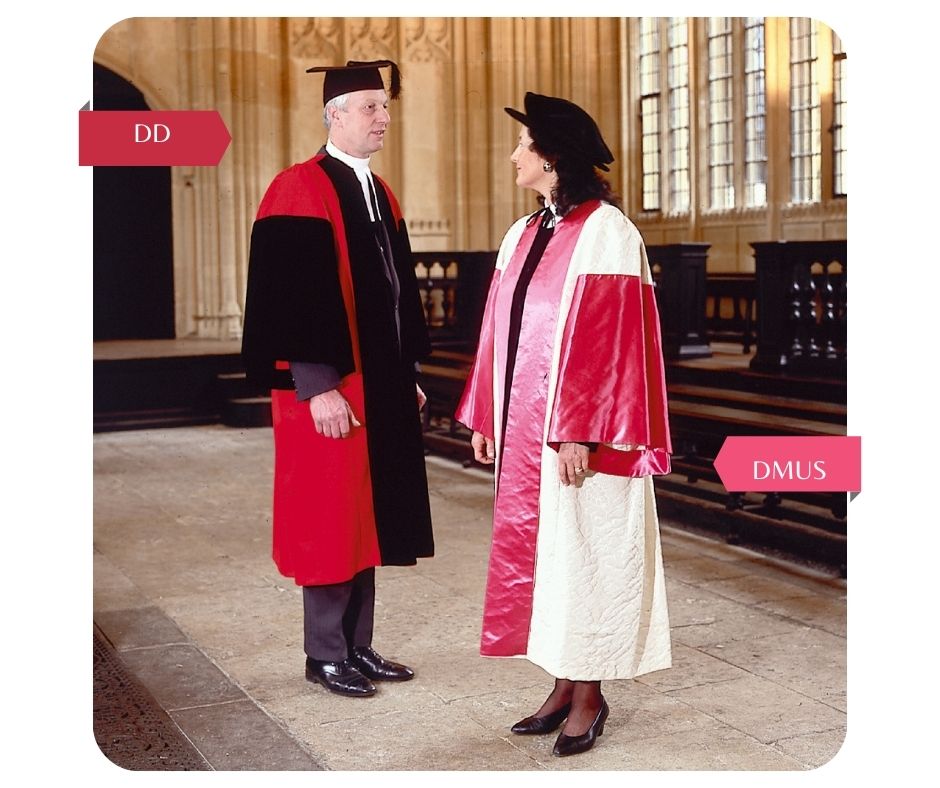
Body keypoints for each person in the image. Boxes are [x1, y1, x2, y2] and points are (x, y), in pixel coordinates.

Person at [455, 92, 672, 756]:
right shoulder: (523, 233)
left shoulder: (608, 231)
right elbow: (500, 330)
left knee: (591, 554)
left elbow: (611, 340)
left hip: (584, 439)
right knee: (552, 560)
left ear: (552, 158)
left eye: (525, 146)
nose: (514, 156)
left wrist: (580, 427)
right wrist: (488, 412)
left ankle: (591, 694)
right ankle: (560, 681)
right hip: (526, 433)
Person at [241, 60, 434, 698]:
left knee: (365, 516)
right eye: (371, 107)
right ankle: (324, 653)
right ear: (336, 114)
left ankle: (358, 646)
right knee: (329, 517)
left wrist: (404, 373)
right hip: (326, 389)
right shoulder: (298, 187)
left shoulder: (380, 192)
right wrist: (316, 384)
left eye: (385, 107)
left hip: (374, 384)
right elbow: (287, 300)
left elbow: (396, 296)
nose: (384, 118)